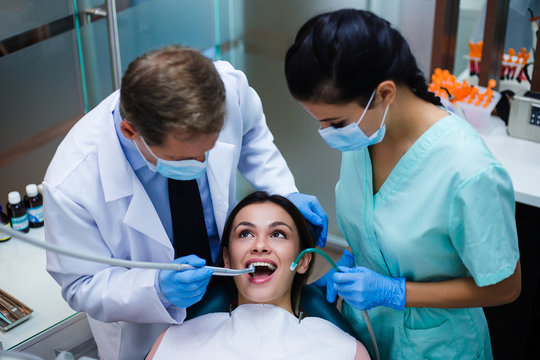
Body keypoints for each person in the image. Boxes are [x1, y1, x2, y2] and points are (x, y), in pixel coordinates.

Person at [43, 45, 327, 360]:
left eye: (211, 146)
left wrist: (285, 192)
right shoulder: (71, 183)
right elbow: (81, 285)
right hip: (147, 327)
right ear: (130, 131)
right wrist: (155, 288)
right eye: (187, 156)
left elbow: (253, 136)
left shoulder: (227, 88)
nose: (203, 162)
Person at [284, 9, 521, 360]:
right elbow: (380, 225)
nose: (326, 134)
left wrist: (397, 292)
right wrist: (351, 255)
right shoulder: (365, 133)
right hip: (365, 332)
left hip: (437, 346)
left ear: (384, 93)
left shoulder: (469, 171)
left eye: (334, 122)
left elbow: (505, 286)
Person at [146, 192, 370, 359]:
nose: (260, 245)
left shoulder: (344, 351)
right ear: (227, 258)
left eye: (278, 234)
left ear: (302, 261)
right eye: (245, 233)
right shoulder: (173, 343)